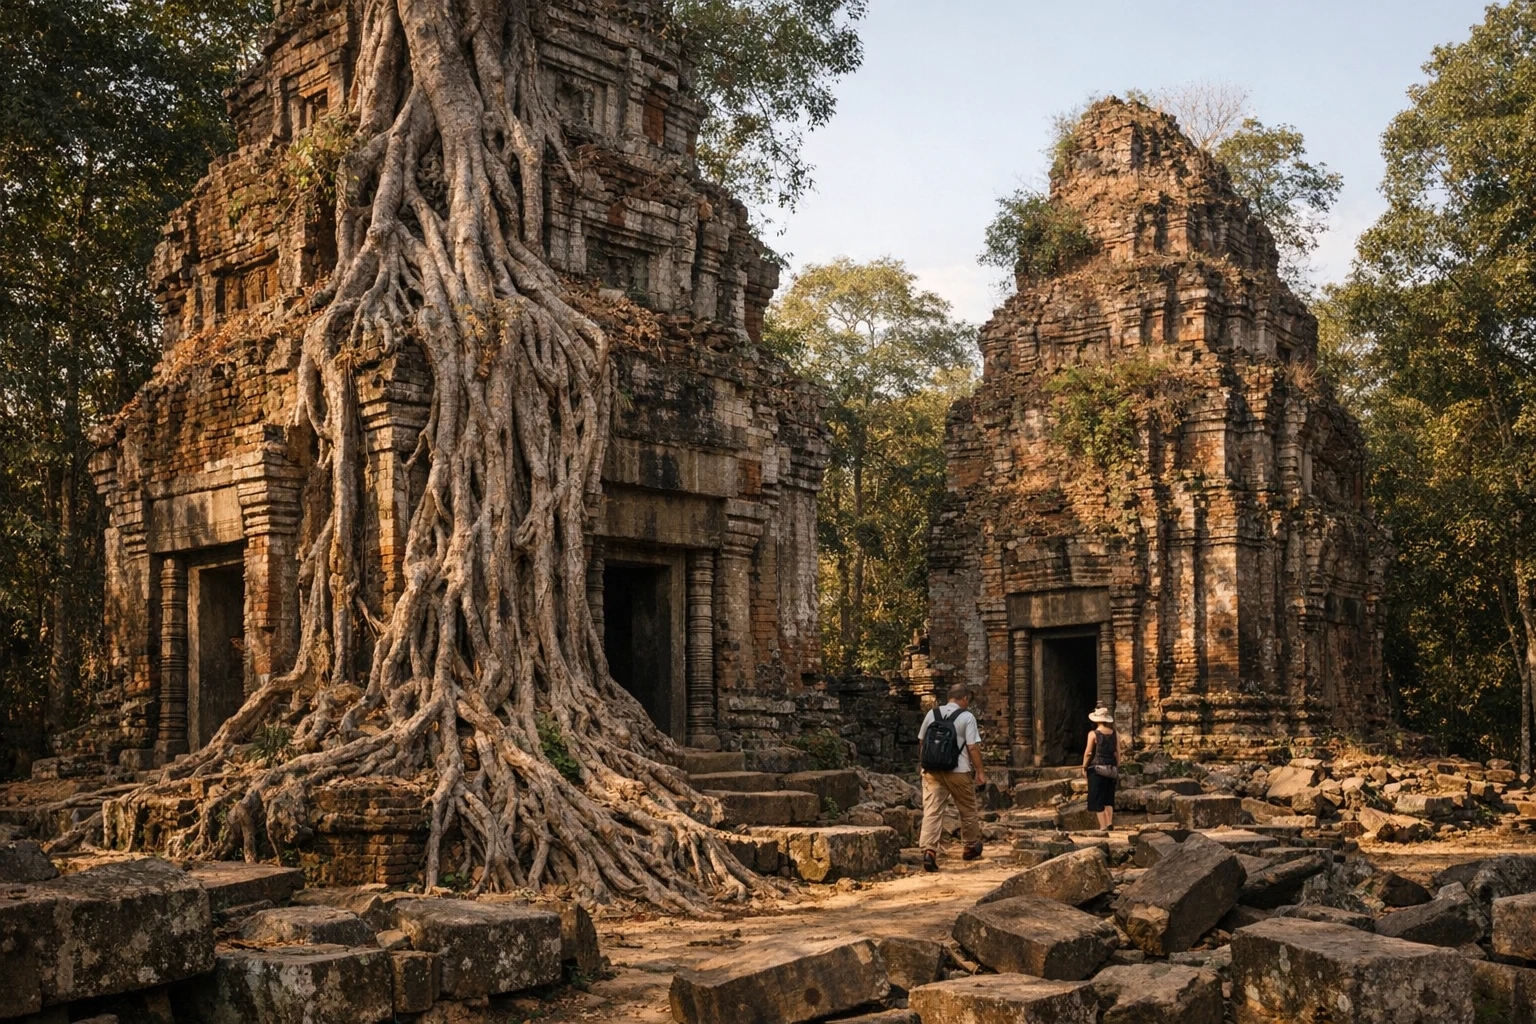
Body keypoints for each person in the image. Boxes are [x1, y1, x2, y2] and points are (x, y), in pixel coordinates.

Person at [917, 683, 986, 872]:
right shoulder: (967, 717)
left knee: (932, 810)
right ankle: (970, 846)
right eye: (967, 700)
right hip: (959, 771)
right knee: (968, 809)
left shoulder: (932, 714)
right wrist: (980, 771)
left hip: (932, 771)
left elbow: (922, 741)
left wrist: (923, 764)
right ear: (964, 699)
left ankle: (929, 852)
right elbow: (972, 747)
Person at [1083, 706, 1119, 829]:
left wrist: (1084, 766)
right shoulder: (1114, 734)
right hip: (1111, 768)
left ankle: (1103, 826)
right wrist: (1116, 767)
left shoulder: (1093, 734)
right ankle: (1109, 823)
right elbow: (1117, 752)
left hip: (1097, 768)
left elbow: (1088, 752)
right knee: (1108, 797)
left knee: (1097, 797)